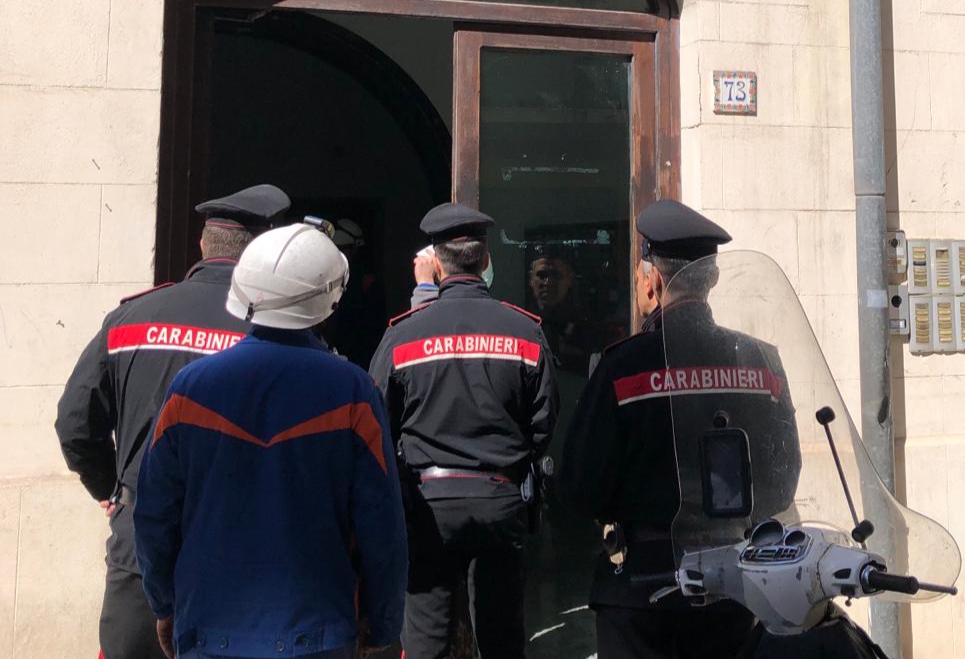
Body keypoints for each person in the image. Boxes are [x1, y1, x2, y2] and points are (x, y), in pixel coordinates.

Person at [134, 222, 407, 659]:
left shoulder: (190, 388)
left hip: (209, 632)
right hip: (317, 633)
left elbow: (153, 514)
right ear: (329, 301)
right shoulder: (353, 392)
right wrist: (382, 622)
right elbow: (382, 525)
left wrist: (165, 605)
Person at [54, 184, 291, 659]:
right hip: (239, 548)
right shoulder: (276, 331)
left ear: (202, 245)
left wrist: (112, 491)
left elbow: (75, 423)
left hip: (139, 545)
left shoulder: (130, 318)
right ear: (260, 254)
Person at [559, 199, 799, 659]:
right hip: (734, 585)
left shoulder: (623, 366)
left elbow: (580, 487)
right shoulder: (760, 362)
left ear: (652, 279)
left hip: (643, 590)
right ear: (713, 278)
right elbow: (782, 479)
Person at [369, 202, 559, 659]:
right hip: (499, 501)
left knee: (425, 641)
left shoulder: (403, 335)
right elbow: (543, 424)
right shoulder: (525, 331)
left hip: (427, 504)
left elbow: (376, 422)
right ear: (486, 260)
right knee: (501, 639)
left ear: (436, 265)